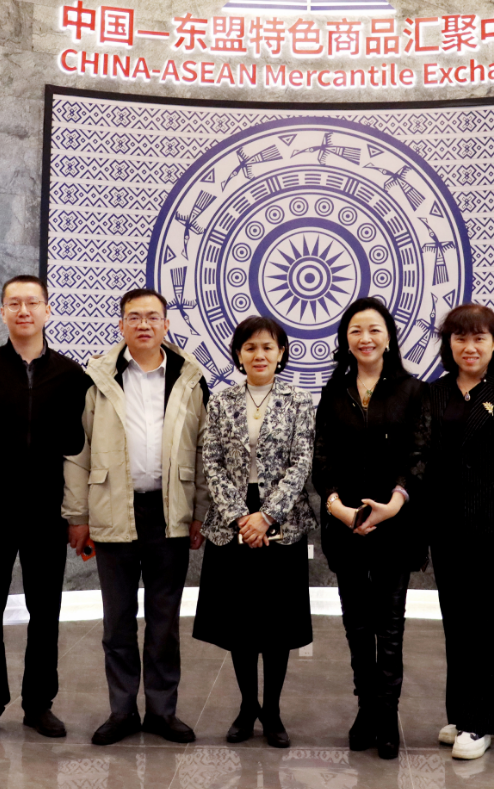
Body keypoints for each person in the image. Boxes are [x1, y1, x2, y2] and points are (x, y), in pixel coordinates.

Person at [0, 274, 91, 745]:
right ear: (3, 312)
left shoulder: (71, 375)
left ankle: (39, 704)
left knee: (45, 610)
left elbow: (80, 451)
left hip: (48, 513)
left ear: (48, 310)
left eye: (32, 303)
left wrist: (78, 515)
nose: (24, 311)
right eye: (14, 303)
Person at [64, 288, 211, 746]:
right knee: (118, 620)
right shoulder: (96, 379)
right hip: (113, 510)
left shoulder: (190, 379)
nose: (144, 324)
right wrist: (77, 515)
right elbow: (77, 452)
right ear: (121, 325)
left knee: (164, 621)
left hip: (170, 512)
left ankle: (163, 712)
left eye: (152, 317)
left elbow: (203, 450)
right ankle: (122, 710)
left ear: (167, 324)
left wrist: (200, 512)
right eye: (134, 317)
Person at [418, 303, 494, 761]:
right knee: (457, 625)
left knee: (490, 627)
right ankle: (461, 713)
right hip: (447, 528)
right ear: (449, 344)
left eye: (479, 338)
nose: (470, 347)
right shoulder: (434, 393)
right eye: (461, 338)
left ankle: (482, 722)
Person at [192, 316, 317, 749]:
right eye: (250, 348)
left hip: (282, 523)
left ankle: (273, 712)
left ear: (281, 353)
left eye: (267, 347)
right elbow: (211, 462)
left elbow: (302, 463)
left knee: (277, 624)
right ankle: (248, 707)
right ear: (238, 354)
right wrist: (239, 517)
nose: (259, 355)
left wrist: (267, 516)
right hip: (233, 522)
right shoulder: (221, 400)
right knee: (240, 623)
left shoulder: (300, 400)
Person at [311, 297, 426, 760]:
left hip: (395, 524)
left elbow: (419, 455)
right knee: (357, 624)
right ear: (345, 339)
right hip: (346, 523)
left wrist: (394, 503)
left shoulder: (412, 391)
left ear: (389, 337)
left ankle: (387, 715)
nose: (365, 338)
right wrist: (336, 506)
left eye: (374, 329)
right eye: (356, 330)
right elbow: (321, 455)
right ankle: (366, 709)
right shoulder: (333, 391)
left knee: (389, 626)